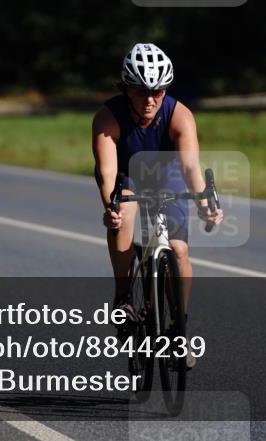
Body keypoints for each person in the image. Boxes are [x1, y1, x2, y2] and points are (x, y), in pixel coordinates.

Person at [91, 43, 223, 368]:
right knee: (123, 215)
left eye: (157, 91)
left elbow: (190, 167)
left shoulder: (179, 115)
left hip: (168, 176)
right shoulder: (108, 117)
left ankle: (178, 330)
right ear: (126, 89)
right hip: (127, 175)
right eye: (141, 91)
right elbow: (107, 171)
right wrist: (110, 207)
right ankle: (123, 297)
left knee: (178, 250)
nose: (150, 100)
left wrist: (203, 201)